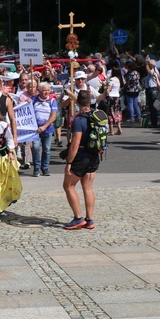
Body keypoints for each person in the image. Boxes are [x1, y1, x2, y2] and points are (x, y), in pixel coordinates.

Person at [61, 91, 98, 230]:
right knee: (87, 187)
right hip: (94, 155)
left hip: (81, 157)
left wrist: (69, 162)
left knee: (68, 186)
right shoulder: (96, 115)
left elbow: (75, 144)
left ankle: (78, 218)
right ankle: (90, 219)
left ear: (78, 103)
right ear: (90, 101)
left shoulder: (79, 119)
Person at [31, 82, 58, 177]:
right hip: (36, 130)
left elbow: (53, 116)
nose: (46, 92)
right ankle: (36, 168)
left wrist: (44, 126)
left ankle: (45, 168)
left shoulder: (52, 101)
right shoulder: (33, 99)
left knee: (46, 149)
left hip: (47, 129)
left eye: (48, 90)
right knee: (36, 148)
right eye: (44, 90)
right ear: (39, 91)